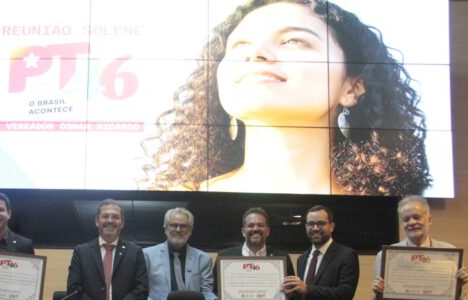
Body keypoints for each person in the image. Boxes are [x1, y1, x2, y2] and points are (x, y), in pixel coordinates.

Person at [143, 0, 430, 196]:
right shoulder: (180, 195)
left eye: (293, 41)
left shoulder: (389, 203)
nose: (256, 53)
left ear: (352, 87)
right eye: (240, 44)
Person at [372, 196, 468, 300]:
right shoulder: (388, 256)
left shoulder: (449, 253)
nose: (412, 222)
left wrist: (458, 287)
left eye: (417, 217)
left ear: (429, 219)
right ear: (402, 223)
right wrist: (380, 294)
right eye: (406, 219)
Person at [67, 199, 148, 300]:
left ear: (122, 223)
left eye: (115, 217)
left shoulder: (135, 252)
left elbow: (141, 290)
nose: (110, 220)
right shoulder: (81, 252)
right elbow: (74, 291)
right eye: (105, 216)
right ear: (97, 221)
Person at [213, 207, 294, 300]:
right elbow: (215, 292)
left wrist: (290, 294)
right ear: (243, 231)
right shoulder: (225, 257)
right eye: (250, 225)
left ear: (267, 231)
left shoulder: (282, 258)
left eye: (260, 225)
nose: (255, 229)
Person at [281, 205, 359, 300]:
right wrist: (290, 295)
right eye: (311, 224)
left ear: (332, 226)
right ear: (306, 227)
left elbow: (345, 294)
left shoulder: (346, 255)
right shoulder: (302, 259)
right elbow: (302, 298)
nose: (315, 228)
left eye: (321, 223)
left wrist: (307, 289)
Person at [143, 207, 217, 300]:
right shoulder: (147, 255)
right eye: (173, 225)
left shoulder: (203, 259)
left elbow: (206, 292)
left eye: (183, 226)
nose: (178, 230)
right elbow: (139, 292)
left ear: (190, 230)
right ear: (165, 228)